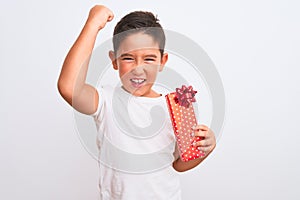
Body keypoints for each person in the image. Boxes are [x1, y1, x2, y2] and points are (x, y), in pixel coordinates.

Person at [57, 5, 216, 200]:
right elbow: (68, 87)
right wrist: (93, 25)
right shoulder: (106, 101)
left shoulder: (174, 106)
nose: (138, 69)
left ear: (162, 61)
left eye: (149, 58)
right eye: (128, 58)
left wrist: (205, 149)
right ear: (114, 61)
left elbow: (178, 164)